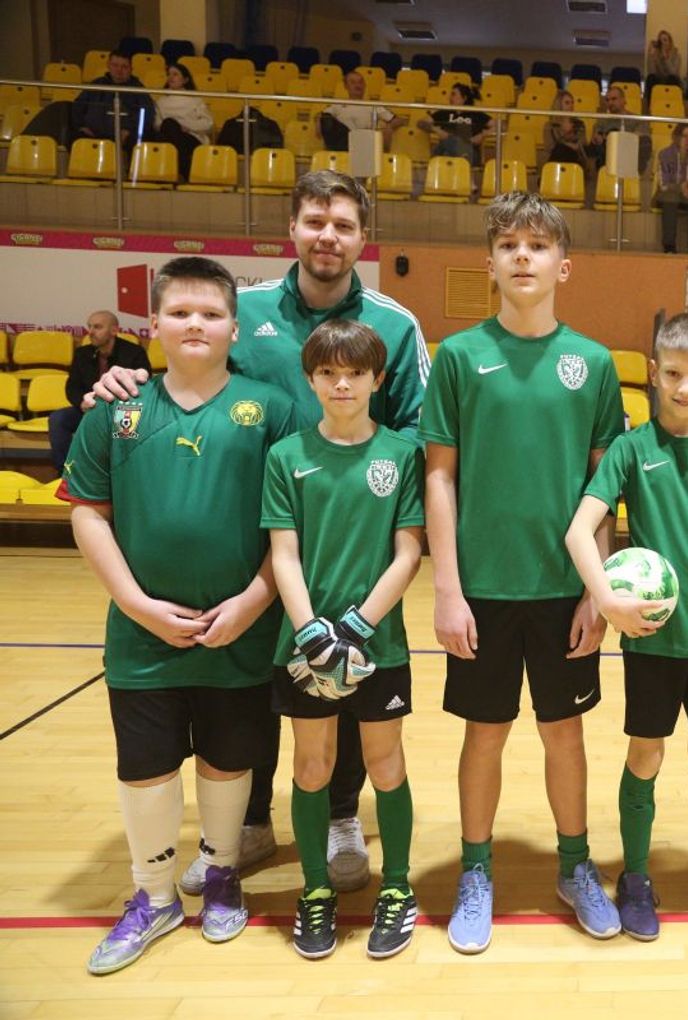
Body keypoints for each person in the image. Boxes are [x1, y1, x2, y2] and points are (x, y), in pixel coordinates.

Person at [91, 170, 430, 900]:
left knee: (341, 669)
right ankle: (248, 821)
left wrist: (365, 491)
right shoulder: (240, 309)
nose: (328, 236)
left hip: (347, 540)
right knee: (260, 683)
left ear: (363, 237)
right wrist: (121, 381)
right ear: (292, 228)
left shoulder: (395, 324)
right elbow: (193, 373)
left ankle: (341, 814)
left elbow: (417, 433)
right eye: (315, 221)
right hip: (259, 536)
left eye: (343, 225)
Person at [60, 256, 297, 975]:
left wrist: (253, 601)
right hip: (142, 637)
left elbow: (293, 527)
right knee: (147, 766)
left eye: (212, 313)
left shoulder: (271, 410)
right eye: (181, 312)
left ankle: (221, 875)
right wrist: (135, 604)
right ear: (154, 323)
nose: (196, 324)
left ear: (235, 328)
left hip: (240, 631)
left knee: (230, 759)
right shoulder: (116, 411)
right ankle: (155, 896)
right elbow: (88, 513)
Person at [422, 192, 623, 952]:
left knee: (563, 731)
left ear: (563, 266)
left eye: (537, 245)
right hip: (482, 590)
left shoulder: (594, 363)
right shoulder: (458, 357)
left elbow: (604, 485)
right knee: (485, 732)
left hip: (565, 590)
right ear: (490, 264)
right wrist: (447, 588)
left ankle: (576, 865)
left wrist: (597, 589)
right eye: (508, 244)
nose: (522, 256)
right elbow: (439, 477)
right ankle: (476, 871)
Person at [566, 312, 688, 940]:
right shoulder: (630, 450)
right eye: (673, 373)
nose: (684, 388)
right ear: (653, 373)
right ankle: (637, 877)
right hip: (652, 641)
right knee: (645, 755)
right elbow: (579, 531)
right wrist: (606, 601)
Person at [264, 319, 423, 960]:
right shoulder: (286, 456)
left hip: (378, 644)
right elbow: (283, 554)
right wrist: (312, 634)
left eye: (356, 373)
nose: (342, 384)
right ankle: (316, 889)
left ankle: (398, 887)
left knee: (386, 765)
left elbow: (408, 553)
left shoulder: (401, 455)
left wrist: (355, 628)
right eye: (328, 373)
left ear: (377, 379)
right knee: (312, 766)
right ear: (310, 379)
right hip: (305, 649)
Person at [50, 310, 149, 473]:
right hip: (89, 409)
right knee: (58, 419)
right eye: (89, 326)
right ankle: (66, 471)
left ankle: (123, 472)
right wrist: (81, 402)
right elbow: (72, 387)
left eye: (97, 327)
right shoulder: (82, 353)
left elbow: (143, 388)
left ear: (114, 330)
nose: (90, 332)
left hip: (122, 410)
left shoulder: (134, 352)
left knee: (127, 423)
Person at [71, 50, 155, 150]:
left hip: (126, 138)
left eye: (124, 67)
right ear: (108, 65)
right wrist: (81, 126)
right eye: (115, 65)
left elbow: (147, 114)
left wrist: (131, 131)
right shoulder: (96, 85)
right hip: (92, 134)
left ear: (131, 69)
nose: (119, 70)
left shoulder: (138, 89)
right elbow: (78, 106)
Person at [153, 63, 212, 180]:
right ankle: (183, 171)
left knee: (170, 125)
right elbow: (157, 124)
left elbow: (208, 123)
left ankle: (177, 172)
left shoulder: (196, 100)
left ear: (185, 80)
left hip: (190, 137)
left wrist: (186, 126)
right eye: (169, 74)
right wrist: (174, 127)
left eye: (175, 74)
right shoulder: (161, 101)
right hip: (167, 136)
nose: (171, 77)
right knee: (168, 124)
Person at [655, 123, 688, 256]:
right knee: (670, 199)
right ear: (677, 137)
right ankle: (669, 246)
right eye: (685, 136)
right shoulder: (665, 154)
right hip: (669, 192)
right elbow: (664, 183)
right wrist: (679, 187)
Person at [320, 71, 395, 151]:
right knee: (326, 119)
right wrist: (319, 120)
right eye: (353, 82)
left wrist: (389, 126)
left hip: (364, 141)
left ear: (365, 85)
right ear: (346, 86)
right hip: (342, 141)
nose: (358, 85)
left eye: (360, 82)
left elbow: (396, 119)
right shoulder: (338, 104)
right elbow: (324, 117)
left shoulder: (373, 105)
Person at [421, 83, 488, 164]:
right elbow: (422, 123)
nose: (450, 98)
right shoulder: (444, 113)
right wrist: (437, 130)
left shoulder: (476, 114)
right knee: (449, 141)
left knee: (451, 142)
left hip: (470, 150)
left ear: (464, 98)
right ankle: (459, 157)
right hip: (447, 148)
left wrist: (482, 135)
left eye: (453, 94)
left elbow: (499, 126)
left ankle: (459, 156)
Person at [592, 84, 651, 173]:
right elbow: (596, 137)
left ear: (624, 100)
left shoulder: (637, 120)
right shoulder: (601, 121)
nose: (610, 103)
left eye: (614, 99)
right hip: (607, 160)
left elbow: (641, 141)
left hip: (630, 160)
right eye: (607, 100)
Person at [545, 89, 592, 173]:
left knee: (564, 151)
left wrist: (568, 143)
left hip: (576, 159)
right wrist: (567, 138)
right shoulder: (550, 125)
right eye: (567, 103)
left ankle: (550, 176)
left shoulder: (579, 124)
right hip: (557, 157)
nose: (571, 105)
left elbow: (582, 144)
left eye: (572, 103)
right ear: (559, 105)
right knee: (560, 150)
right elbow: (550, 147)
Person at [646, 30, 684, 96]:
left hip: (673, 82)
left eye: (665, 40)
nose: (663, 43)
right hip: (659, 82)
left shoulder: (676, 55)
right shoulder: (656, 55)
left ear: (670, 42)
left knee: (672, 78)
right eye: (661, 41)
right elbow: (651, 72)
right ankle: (651, 101)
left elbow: (673, 73)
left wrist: (666, 59)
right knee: (651, 78)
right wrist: (651, 56)